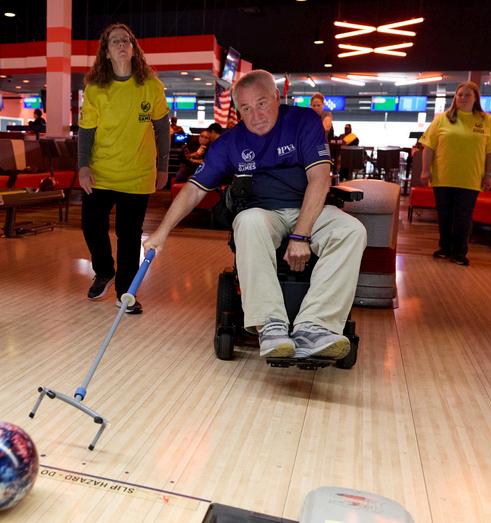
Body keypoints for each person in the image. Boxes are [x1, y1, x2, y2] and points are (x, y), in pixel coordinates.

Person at [144, 69, 366, 359]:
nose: (255, 115)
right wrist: (161, 233)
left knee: (351, 230)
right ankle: (270, 325)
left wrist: (301, 234)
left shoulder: (303, 121)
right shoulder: (229, 143)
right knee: (247, 222)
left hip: (310, 208)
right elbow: (194, 189)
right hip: (263, 213)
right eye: (246, 108)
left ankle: (315, 326)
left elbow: (320, 178)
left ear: (276, 97)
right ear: (238, 111)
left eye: (261, 104)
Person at [78, 22, 170, 314]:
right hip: (101, 172)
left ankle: (126, 293)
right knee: (91, 225)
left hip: (138, 174)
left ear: (134, 49)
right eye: (115, 41)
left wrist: (163, 167)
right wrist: (83, 166)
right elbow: (86, 132)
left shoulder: (151, 86)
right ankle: (104, 270)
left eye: (126, 41)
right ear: (106, 52)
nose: (121, 45)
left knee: (129, 235)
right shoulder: (95, 89)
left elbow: (162, 128)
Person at [420, 80, 491, 266]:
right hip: (443, 176)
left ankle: (459, 252)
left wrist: (489, 174)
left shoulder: (487, 120)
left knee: (463, 216)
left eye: (467, 95)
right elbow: (428, 147)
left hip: (470, 178)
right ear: (455, 97)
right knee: (444, 215)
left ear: (476, 98)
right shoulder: (442, 119)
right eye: (459, 95)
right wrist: (425, 170)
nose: (463, 98)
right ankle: (444, 248)